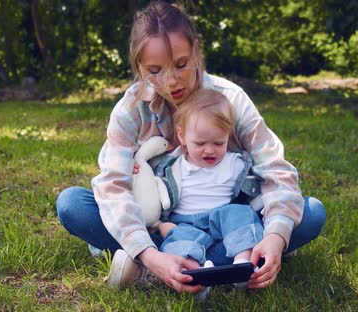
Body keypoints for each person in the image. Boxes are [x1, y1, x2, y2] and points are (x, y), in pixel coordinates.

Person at [56, 1, 326, 293]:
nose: (171, 81)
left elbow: (276, 170)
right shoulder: (130, 111)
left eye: (182, 64)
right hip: (162, 228)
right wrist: (152, 254)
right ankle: (190, 266)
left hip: (226, 222)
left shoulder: (230, 100)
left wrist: (275, 236)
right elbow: (113, 186)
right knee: (72, 204)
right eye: (155, 71)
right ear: (138, 67)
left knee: (310, 213)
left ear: (196, 49)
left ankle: (167, 270)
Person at [155, 89, 263, 271]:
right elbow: (152, 191)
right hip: (185, 222)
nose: (210, 150)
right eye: (200, 143)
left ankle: (242, 262)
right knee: (180, 239)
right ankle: (194, 272)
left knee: (240, 213)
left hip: (222, 219)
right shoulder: (173, 167)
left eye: (219, 143)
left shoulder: (234, 163)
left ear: (228, 135)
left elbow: (259, 187)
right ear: (182, 136)